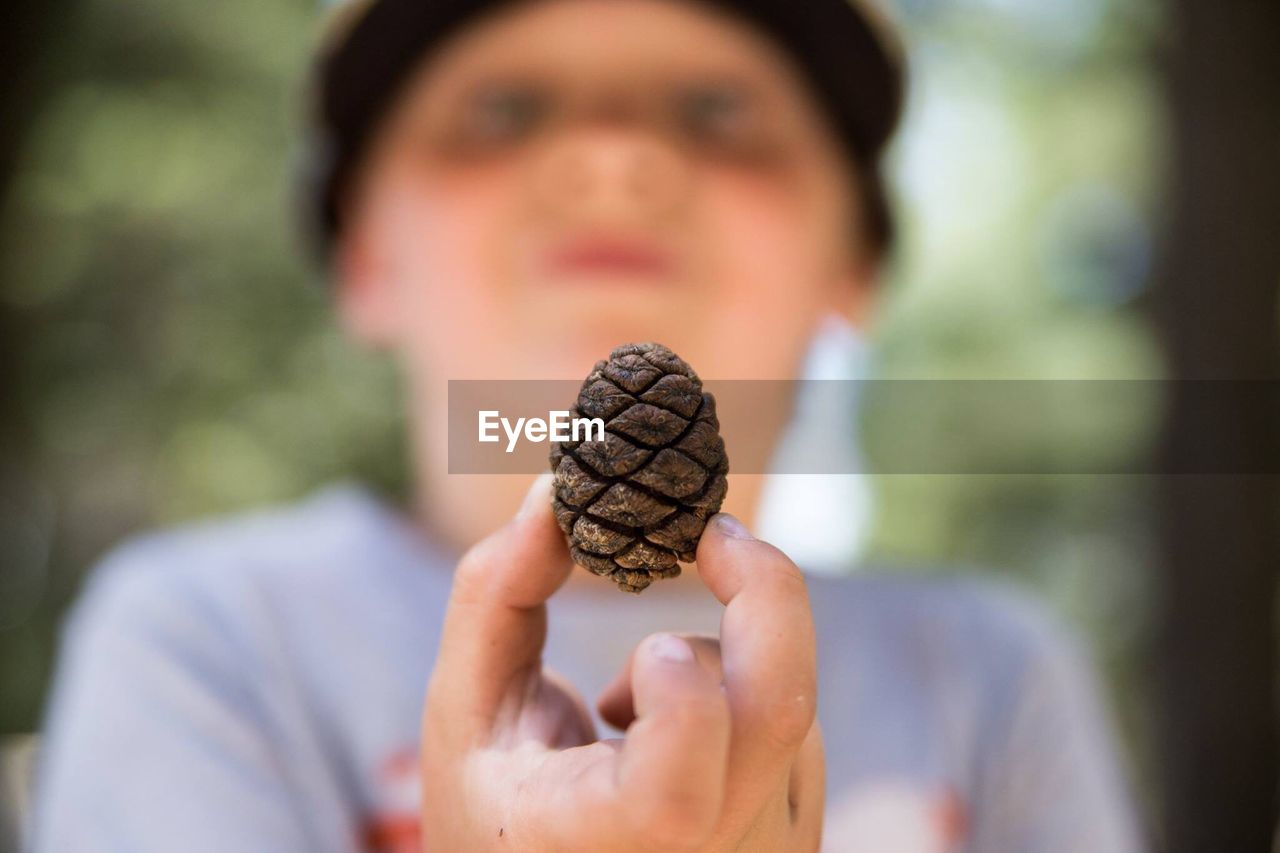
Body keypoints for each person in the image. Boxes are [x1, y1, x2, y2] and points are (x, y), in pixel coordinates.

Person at [29, 0, 1145, 850]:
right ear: (365, 256)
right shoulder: (205, 641)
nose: (613, 156)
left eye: (717, 108)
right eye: (502, 108)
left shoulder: (991, 677)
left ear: (852, 264)